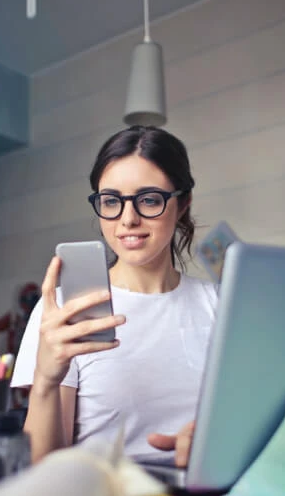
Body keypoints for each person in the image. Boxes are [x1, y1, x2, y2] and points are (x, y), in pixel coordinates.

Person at [11, 125, 218, 466]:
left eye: (149, 199)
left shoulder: (220, 305)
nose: (128, 219)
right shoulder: (65, 311)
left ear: (182, 204)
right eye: (111, 201)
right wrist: (46, 380)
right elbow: (43, 469)